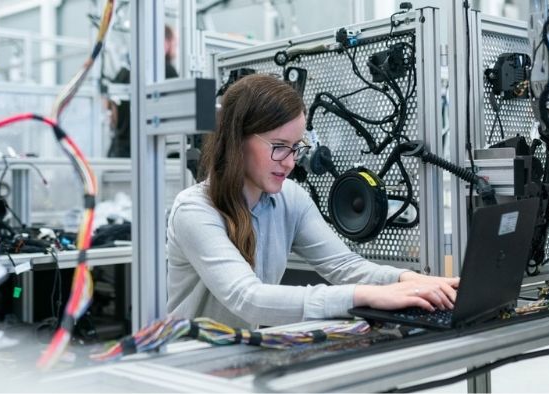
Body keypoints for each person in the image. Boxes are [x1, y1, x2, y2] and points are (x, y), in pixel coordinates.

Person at [166, 74, 459, 329]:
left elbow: (344, 266)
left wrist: (411, 281)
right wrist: (364, 296)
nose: (291, 162)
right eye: (279, 147)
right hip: (191, 365)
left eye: (296, 148)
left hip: (240, 355)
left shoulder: (289, 198)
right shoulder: (195, 210)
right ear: (237, 140)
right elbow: (248, 298)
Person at [107, 25, 179, 157]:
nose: (175, 48)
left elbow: (112, 114)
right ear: (165, 42)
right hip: (149, 151)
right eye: (174, 42)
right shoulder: (166, 70)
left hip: (119, 151)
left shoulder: (123, 72)